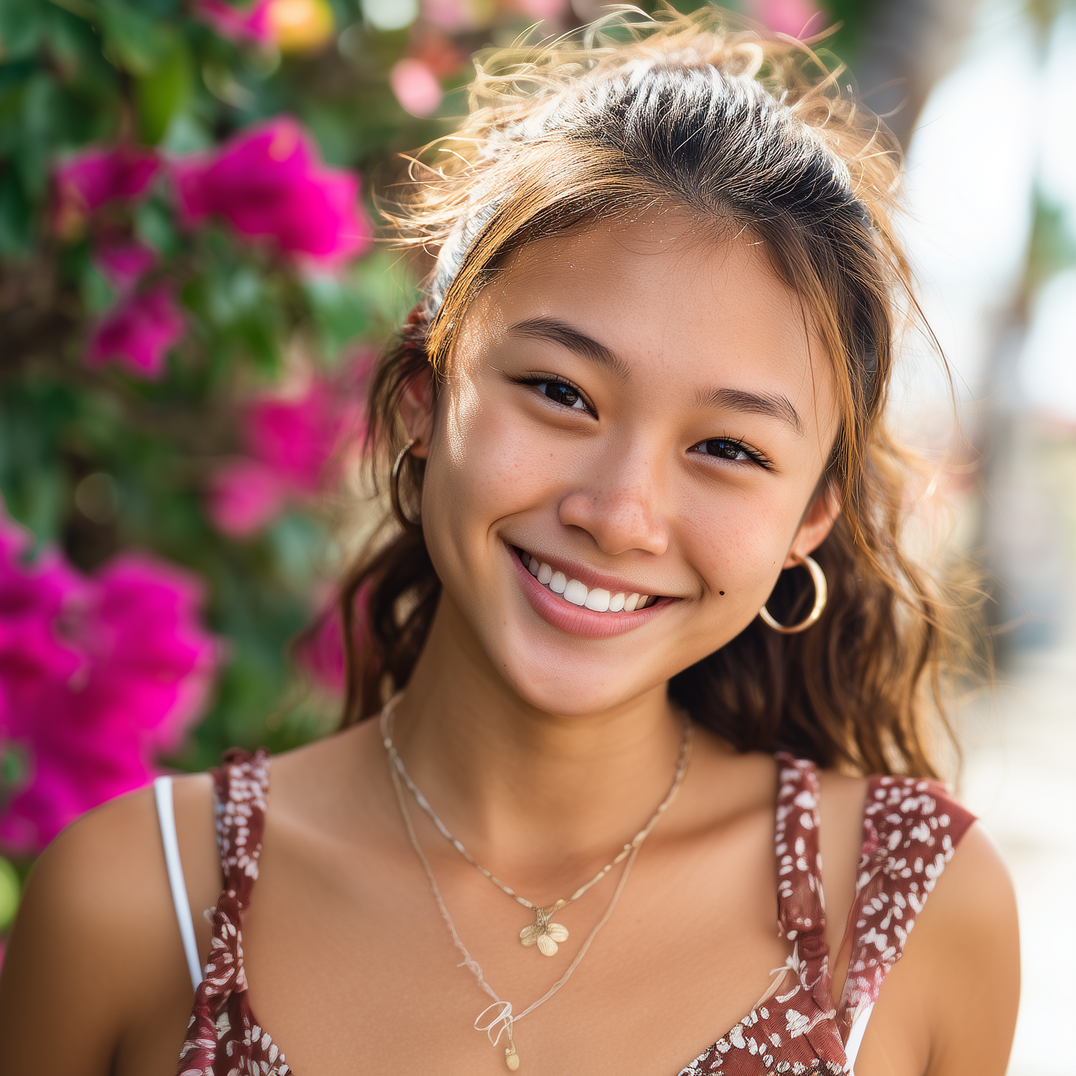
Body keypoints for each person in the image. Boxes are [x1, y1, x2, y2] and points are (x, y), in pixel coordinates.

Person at [0, 9, 1019, 1075]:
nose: (618, 512)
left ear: (808, 516)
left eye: (725, 446)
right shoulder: (143, 897)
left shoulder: (909, 913)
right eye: (558, 391)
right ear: (418, 402)